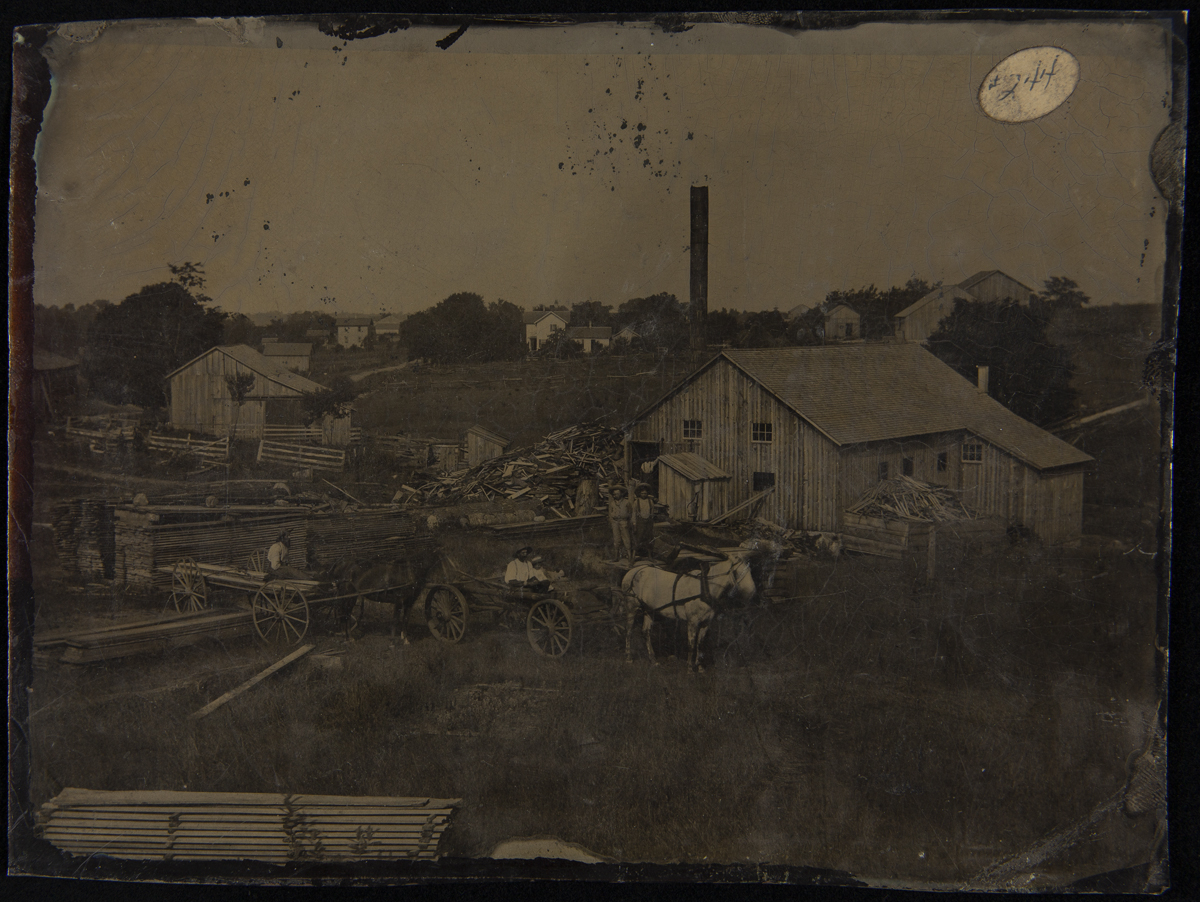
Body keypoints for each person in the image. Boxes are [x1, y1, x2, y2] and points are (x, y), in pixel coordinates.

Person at [608, 485, 632, 564]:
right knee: (616, 539)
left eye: (617, 494)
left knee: (626, 539)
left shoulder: (626, 502)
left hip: (624, 522)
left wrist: (628, 521)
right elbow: (610, 513)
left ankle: (630, 557)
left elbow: (630, 512)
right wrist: (612, 520)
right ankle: (616, 557)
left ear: (621, 494)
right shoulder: (612, 503)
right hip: (615, 522)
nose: (615, 495)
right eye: (614, 494)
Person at [632, 483, 657, 559]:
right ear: (640, 494)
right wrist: (634, 524)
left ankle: (650, 556)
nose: (644, 494)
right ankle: (633, 557)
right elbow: (634, 513)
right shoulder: (637, 502)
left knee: (649, 539)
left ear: (647, 494)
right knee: (638, 539)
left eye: (645, 493)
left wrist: (651, 519)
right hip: (640, 522)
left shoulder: (650, 501)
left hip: (648, 522)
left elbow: (652, 511)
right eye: (642, 493)